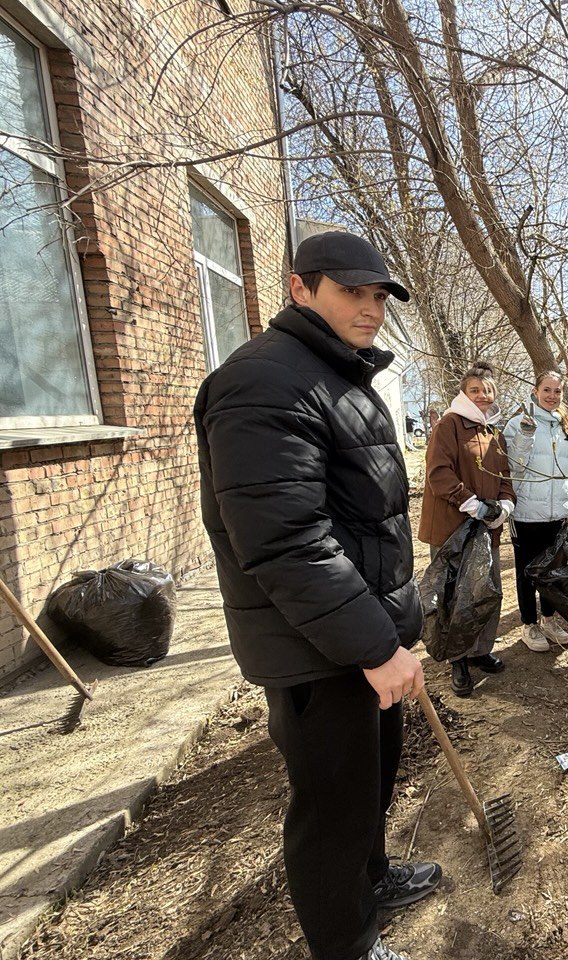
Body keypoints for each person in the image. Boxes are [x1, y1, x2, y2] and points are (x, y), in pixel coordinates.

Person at [194, 231, 438, 960]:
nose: (370, 309)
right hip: (315, 648)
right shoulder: (264, 383)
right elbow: (286, 541)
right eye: (351, 292)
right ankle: (349, 946)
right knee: (333, 813)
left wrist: (387, 635)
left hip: (360, 638)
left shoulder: (336, 376)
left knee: (370, 785)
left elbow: (364, 518)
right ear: (300, 288)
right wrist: (374, 646)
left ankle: (374, 877)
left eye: (378, 295)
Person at [419, 361, 515, 696]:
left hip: (486, 528)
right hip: (452, 528)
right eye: (475, 390)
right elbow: (438, 473)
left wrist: (504, 505)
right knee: (454, 595)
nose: (482, 396)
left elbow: (505, 476)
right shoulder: (449, 425)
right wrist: (471, 503)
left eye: (487, 390)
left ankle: (479, 651)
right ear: (464, 393)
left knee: (484, 590)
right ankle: (457, 659)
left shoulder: (494, 431)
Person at [503, 370, 568, 651]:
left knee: (554, 571)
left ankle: (549, 620)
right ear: (535, 391)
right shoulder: (518, 424)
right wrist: (526, 433)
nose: (552, 396)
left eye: (557, 391)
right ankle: (529, 624)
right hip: (526, 514)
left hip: (559, 514)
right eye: (547, 390)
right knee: (527, 572)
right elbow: (513, 467)